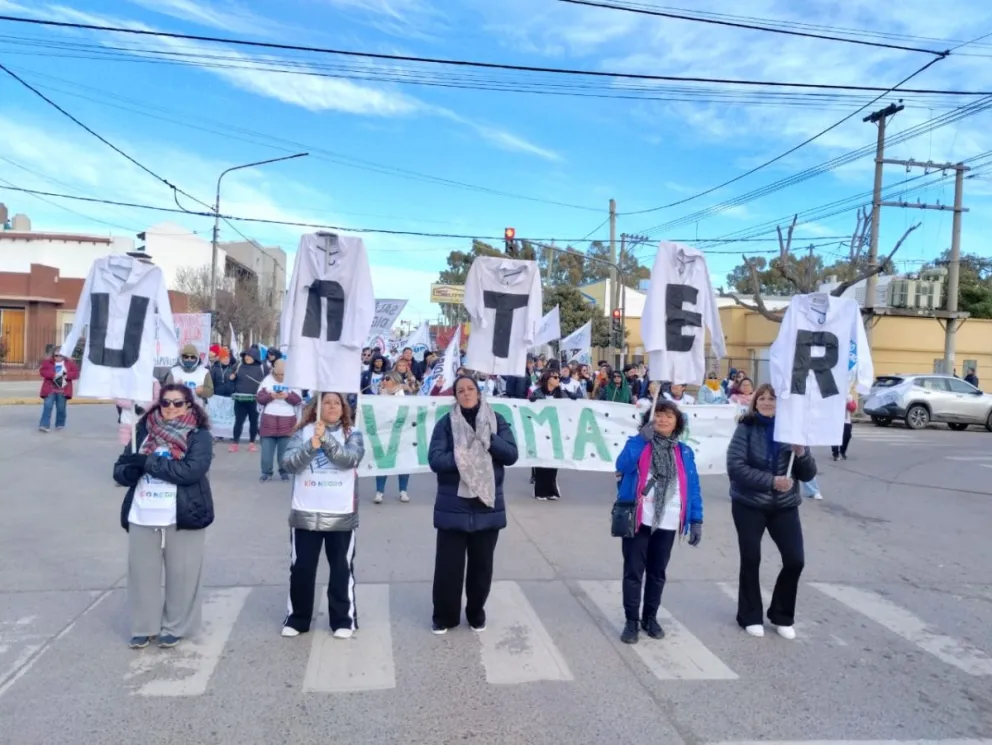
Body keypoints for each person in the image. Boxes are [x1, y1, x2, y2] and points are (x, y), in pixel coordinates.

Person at [112, 383, 214, 650]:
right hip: (143, 513)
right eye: (166, 402)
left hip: (182, 513)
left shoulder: (198, 435)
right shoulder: (143, 430)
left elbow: (190, 471)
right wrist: (128, 472)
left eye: (178, 403)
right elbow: (120, 469)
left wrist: (148, 464)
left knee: (183, 574)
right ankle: (143, 627)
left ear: (189, 406)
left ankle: (175, 626)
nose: (171, 408)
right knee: (141, 575)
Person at [428, 375, 518, 634]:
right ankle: (444, 616)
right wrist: (464, 456)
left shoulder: (496, 420)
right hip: (453, 507)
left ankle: (476, 613)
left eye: (470, 389)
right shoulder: (446, 424)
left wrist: (490, 439)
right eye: (460, 390)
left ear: (479, 392)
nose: (466, 394)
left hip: (487, 507)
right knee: (448, 569)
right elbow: (436, 460)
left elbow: (511, 455)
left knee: (482, 569)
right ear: (455, 396)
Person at [726, 383, 816, 640]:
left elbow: (807, 474)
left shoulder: (793, 431)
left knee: (795, 560)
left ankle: (781, 615)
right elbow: (735, 467)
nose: (766, 402)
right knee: (751, 558)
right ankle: (749, 616)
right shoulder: (746, 427)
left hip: (784, 506)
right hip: (749, 504)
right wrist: (770, 481)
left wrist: (802, 453)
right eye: (762, 398)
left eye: (772, 399)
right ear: (755, 402)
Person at [614, 398, 703, 644]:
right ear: (650, 419)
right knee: (633, 571)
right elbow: (622, 466)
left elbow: (692, 487)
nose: (663, 420)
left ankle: (650, 618)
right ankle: (631, 621)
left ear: (677, 423)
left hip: (668, 520)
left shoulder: (684, 451)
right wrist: (641, 441)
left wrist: (696, 519)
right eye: (659, 415)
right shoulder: (638, 443)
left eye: (669, 416)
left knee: (657, 573)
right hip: (638, 518)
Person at [280, 392, 365, 639]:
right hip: (305, 513)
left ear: (343, 408)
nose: (331, 406)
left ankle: (343, 620)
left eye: (336, 402)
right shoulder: (303, 432)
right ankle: (297, 619)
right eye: (326, 402)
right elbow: (288, 464)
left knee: (341, 569)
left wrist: (325, 439)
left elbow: (350, 459)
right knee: (302, 569)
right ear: (316, 407)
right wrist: (311, 445)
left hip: (340, 515)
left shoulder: (353, 434)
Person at [257, 359, 302, 483]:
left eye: (283, 375)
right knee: (266, 451)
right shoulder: (266, 382)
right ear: (274, 372)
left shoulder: (293, 382)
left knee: (285, 451)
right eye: (279, 375)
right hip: (268, 420)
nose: (281, 377)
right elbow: (260, 398)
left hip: (287, 420)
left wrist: (287, 396)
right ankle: (266, 472)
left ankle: (284, 472)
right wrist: (270, 396)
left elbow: (298, 400)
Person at [375, 371, 412, 504]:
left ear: (395, 380)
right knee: (383, 462)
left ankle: (403, 491)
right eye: (383, 379)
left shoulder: (405, 393)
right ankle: (379, 491)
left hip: (402, 432)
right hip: (385, 432)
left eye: (387, 379)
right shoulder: (379, 395)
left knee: (403, 462)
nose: (384, 381)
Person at [528, 369, 564, 501]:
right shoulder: (537, 393)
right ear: (548, 378)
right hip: (541, 431)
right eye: (555, 377)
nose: (558, 379)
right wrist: (532, 401)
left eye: (559, 377)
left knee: (553, 462)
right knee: (541, 461)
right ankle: (540, 491)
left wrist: (573, 399)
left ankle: (551, 491)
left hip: (555, 431)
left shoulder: (561, 394)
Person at [228, 346, 265, 453]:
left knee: (253, 422)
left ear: (255, 357)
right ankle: (235, 443)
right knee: (238, 421)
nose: (247, 358)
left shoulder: (262, 368)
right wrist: (231, 379)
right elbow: (231, 379)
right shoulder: (239, 365)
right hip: (240, 399)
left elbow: (267, 382)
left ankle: (252, 443)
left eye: (250, 356)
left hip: (254, 400)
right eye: (246, 356)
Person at [38, 347, 79, 432]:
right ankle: (44, 425)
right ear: (53, 355)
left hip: (63, 390)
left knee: (61, 407)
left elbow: (76, 373)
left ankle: (60, 423)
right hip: (50, 388)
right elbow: (42, 371)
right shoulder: (47, 363)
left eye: (61, 355)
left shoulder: (70, 363)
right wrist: (53, 375)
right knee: (47, 405)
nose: (58, 357)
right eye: (56, 355)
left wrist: (67, 375)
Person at [165, 344, 214, 408]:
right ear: (182, 357)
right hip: (177, 409)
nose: (189, 359)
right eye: (186, 357)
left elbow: (210, 391)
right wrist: (176, 388)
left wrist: (202, 391)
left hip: (197, 409)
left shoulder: (204, 372)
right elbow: (166, 391)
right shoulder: (174, 371)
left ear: (197, 358)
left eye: (192, 357)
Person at [832, 394, 856, 461]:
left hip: (846, 421)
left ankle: (842, 451)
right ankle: (835, 453)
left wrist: (848, 403)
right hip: (835, 420)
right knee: (835, 437)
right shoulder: (834, 395)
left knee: (847, 436)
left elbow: (853, 408)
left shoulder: (849, 396)